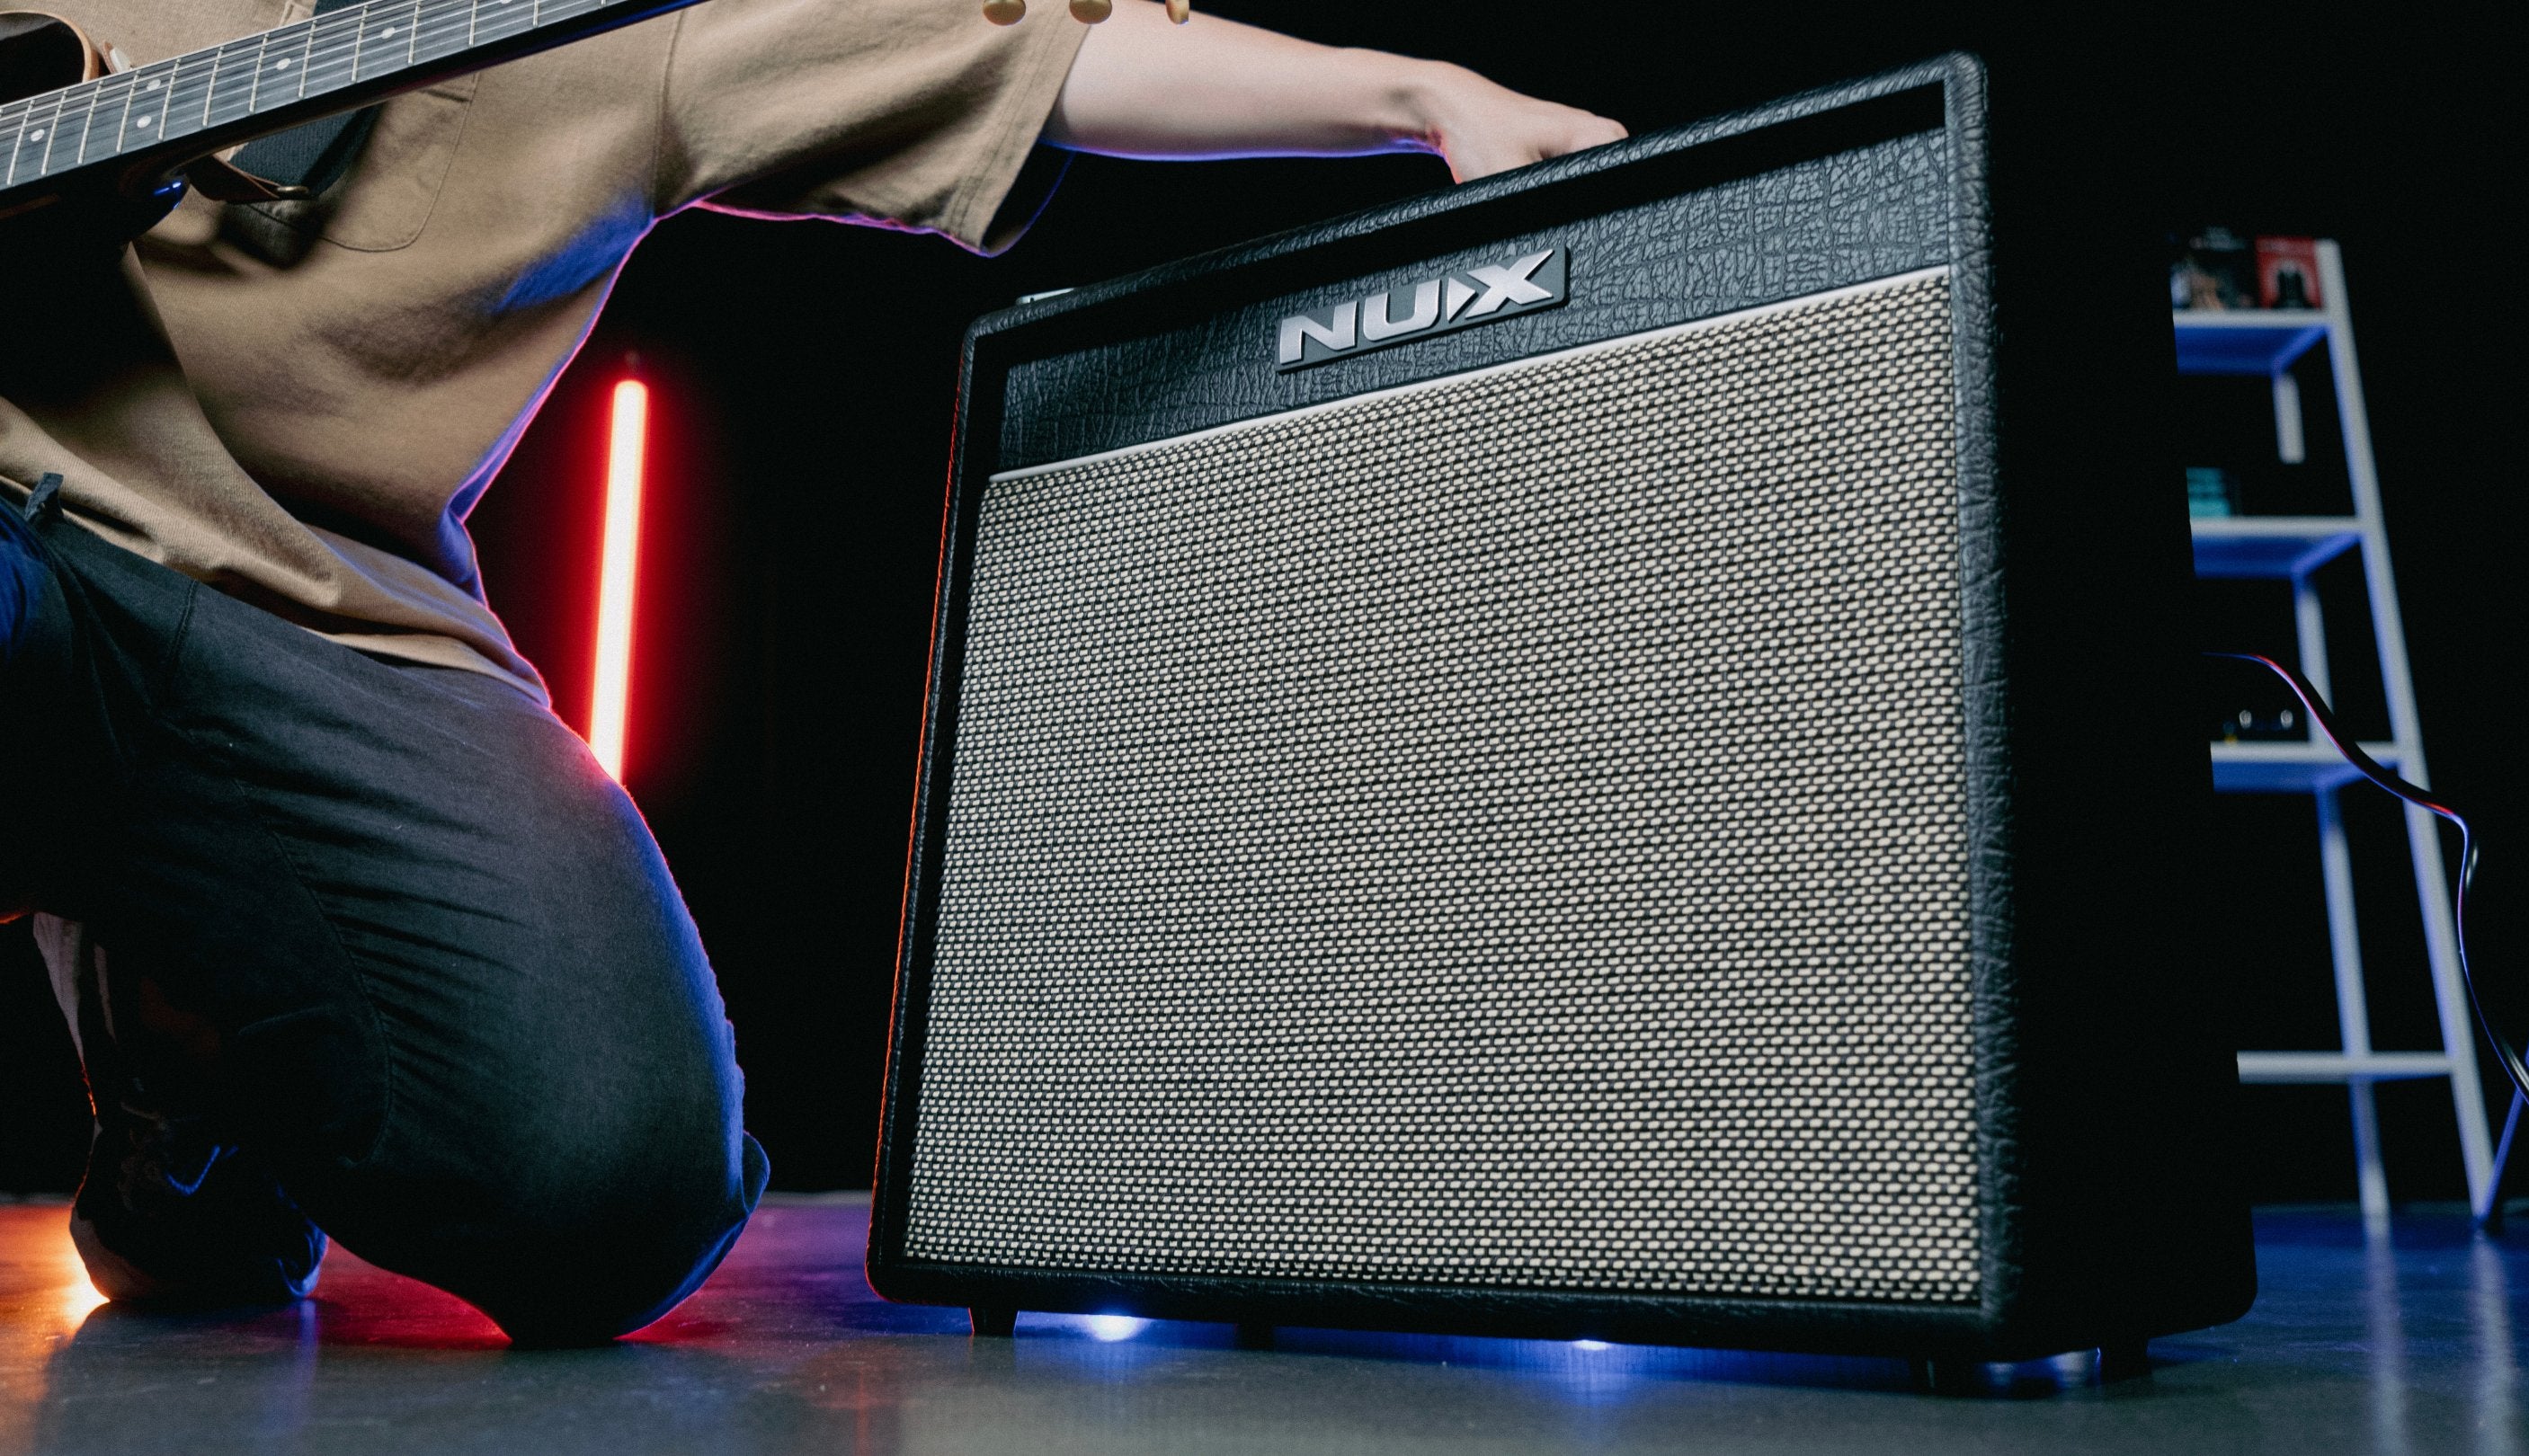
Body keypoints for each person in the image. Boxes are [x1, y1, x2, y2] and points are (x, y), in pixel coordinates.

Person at [0, 0, 1623, 1344]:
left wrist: (1427, 96)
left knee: (609, 1195)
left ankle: (193, 1059)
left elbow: (1039, 52)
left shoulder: (608, 30)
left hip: (299, 627)